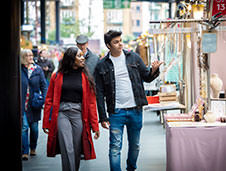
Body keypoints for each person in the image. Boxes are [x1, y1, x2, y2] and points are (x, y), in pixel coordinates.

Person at [94, 30, 163, 171]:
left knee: (135, 145)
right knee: (114, 147)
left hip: (135, 110)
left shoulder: (134, 58)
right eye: (116, 42)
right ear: (108, 45)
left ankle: (131, 168)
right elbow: (99, 93)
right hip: (116, 112)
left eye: (120, 40)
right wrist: (102, 117)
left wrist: (154, 70)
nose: (120, 44)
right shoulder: (102, 66)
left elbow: (147, 77)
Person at [42, 47, 100, 171]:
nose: (83, 58)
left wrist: (95, 126)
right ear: (71, 58)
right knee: (67, 147)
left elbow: (91, 103)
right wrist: (46, 121)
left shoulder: (86, 77)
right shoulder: (56, 76)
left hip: (79, 114)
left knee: (76, 148)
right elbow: (49, 100)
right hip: (62, 114)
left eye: (82, 55)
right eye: (79, 56)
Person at [21, 49, 47, 160]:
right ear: (23, 57)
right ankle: (24, 151)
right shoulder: (19, 69)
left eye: (31, 55)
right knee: (24, 127)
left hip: (34, 104)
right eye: (27, 55)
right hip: (22, 104)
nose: (30, 57)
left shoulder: (37, 70)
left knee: (35, 128)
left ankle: (33, 148)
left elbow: (44, 86)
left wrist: (43, 100)